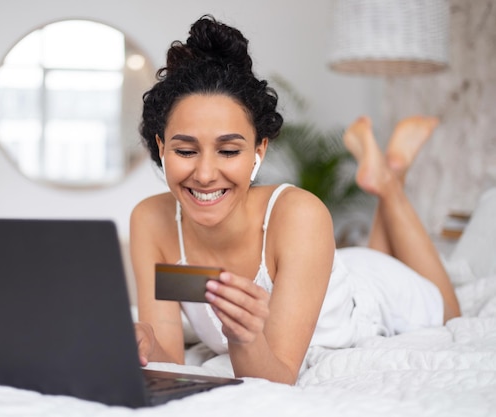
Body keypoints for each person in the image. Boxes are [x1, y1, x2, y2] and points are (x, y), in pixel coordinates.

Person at [130, 15, 461, 385]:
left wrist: (245, 338)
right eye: (186, 150)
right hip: (319, 268)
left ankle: (390, 183)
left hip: (368, 295)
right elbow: (170, 360)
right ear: (161, 148)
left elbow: (278, 378)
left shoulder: (299, 214)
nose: (205, 174)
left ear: (259, 150)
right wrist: (142, 345)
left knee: (451, 310)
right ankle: (387, 173)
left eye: (228, 151)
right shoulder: (151, 221)